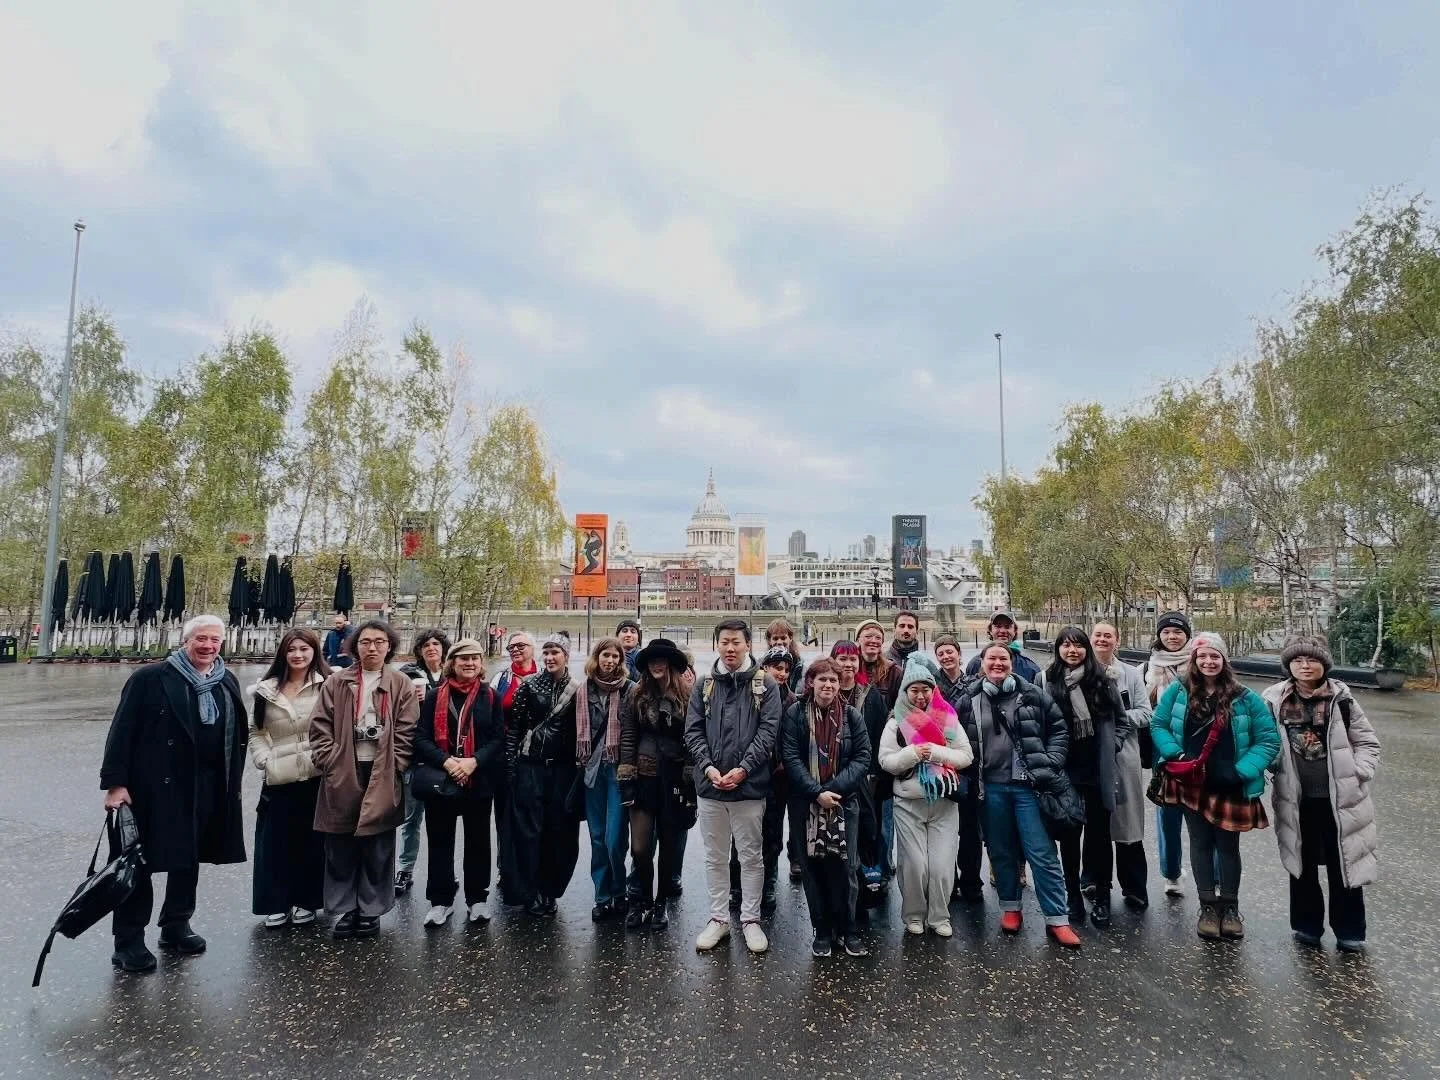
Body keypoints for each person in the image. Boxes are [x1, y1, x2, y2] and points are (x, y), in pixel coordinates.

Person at [101, 615, 248, 973]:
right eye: (201, 639)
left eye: (215, 640)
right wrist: (115, 785)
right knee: (139, 863)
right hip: (153, 786)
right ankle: (129, 941)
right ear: (186, 640)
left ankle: (176, 925)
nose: (208, 646)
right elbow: (122, 732)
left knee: (188, 858)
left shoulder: (225, 679)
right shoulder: (150, 678)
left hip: (208, 786)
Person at [1150, 632, 1280, 941]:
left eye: (1215, 656)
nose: (1209, 661)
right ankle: (1208, 906)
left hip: (1230, 783)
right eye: (1203, 656)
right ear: (1194, 660)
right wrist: (1176, 755)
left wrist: (1241, 771)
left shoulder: (1245, 697)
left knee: (1228, 847)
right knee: (1200, 843)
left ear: (1224, 660)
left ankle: (1230, 908)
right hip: (1193, 782)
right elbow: (1159, 724)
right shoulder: (1179, 691)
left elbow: (1268, 739)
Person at [1263, 634, 1380, 953]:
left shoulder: (1341, 699)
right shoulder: (1273, 699)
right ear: (1289, 665)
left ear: (1323, 665)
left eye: (1312, 660)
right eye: (1298, 660)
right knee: (1302, 863)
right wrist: (1270, 766)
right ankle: (1307, 926)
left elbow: (1368, 742)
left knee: (1344, 862)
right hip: (1296, 798)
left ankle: (1350, 930)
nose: (1305, 665)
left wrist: (1359, 772)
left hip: (1341, 798)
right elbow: (1264, 740)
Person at [309, 619, 419, 939]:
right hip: (343, 767)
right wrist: (330, 761)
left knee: (378, 843)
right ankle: (346, 908)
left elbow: (408, 730)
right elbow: (319, 727)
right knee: (340, 841)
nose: (372, 647)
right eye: (365, 641)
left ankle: (371, 910)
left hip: (382, 769)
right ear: (355, 645)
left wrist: (396, 764)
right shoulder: (337, 682)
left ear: (389, 646)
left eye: (379, 642)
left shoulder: (400, 683)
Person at [968, 642, 1080, 947]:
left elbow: (1059, 729)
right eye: (992, 658)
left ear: (1011, 663)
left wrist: (1051, 760)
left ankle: (1057, 918)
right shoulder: (971, 698)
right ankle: (1010, 908)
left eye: (1003, 658)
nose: (997, 663)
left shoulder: (1032, 694)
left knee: (1042, 852)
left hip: (1028, 787)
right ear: (982, 662)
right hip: (990, 787)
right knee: (1001, 851)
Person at [685, 619, 782, 955]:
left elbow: (768, 733)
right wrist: (709, 768)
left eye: (736, 642)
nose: (730, 648)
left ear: (747, 644)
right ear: (717, 644)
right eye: (724, 641)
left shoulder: (765, 685)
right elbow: (693, 731)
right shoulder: (704, 685)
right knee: (715, 857)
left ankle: (750, 919)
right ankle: (718, 918)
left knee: (751, 856)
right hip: (710, 787)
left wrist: (743, 769)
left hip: (749, 787)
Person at [780, 658, 872, 957]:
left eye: (833, 680)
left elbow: (862, 757)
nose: (828, 685)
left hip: (844, 802)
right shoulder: (795, 714)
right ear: (811, 683)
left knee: (845, 867)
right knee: (813, 867)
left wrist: (834, 790)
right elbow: (791, 757)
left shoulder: (852, 716)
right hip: (806, 803)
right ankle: (821, 928)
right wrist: (816, 792)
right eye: (822, 680)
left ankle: (847, 928)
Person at [878, 660, 974, 937]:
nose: (920, 696)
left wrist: (935, 752)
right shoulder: (896, 721)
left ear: (933, 691)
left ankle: (939, 916)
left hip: (943, 800)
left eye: (926, 690)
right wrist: (912, 754)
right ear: (905, 692)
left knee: (942, 865)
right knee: (915, 865)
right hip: (909, 803)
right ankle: (914, 915)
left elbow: (965, 755)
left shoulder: (948, 718)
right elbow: (886, 760)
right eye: (914, 690)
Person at [1043, 627, 1130, 927]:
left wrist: (1112, 745)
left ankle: (1103, 897)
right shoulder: (1047, 681)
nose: (1072, 651)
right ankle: (1073, 898)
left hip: (1097, 770)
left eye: (1078, 645)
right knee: (1068, 838)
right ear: (1057, 649)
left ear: (1086, 650)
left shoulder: (1103, 682)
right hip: (1063, 772)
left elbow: (1123, 722)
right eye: (1066, 645)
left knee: (1100, 838)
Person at [414, 638, 504, 927]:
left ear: (481, 664)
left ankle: (477, 899)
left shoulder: (489, 697)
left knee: (478, 840)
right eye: (463, 659)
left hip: (478, 778)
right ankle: (440, 901)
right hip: (442, 778)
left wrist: (473, 761)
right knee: (440, 841)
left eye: (475, 659)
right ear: (451, 663)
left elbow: (498, 738)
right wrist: (448, 762)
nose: (470, 663)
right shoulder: (433, 697)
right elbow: (420, 738)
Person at [249, 628, 330, 929]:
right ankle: (276, 903)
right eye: (292, 649)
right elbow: (256, 730)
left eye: (304, 649)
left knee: (313, 841)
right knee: (275, 843)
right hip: (279, 774)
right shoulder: (266, 689)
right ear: (283, 653)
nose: (297, 654)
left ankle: (308, 901)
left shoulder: (328, 684)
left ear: (314, 652)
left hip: (317, 772)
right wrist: (263, 759)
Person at [618, 637, 696, 931]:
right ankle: (641, 900)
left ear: (671, 664)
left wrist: (690, 775)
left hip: (674, 779)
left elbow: (693, 737)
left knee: (669, 846)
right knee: (639, 847)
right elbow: (628, 735)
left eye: (662, 659)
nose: (657, 664)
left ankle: (660, 902)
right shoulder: (636, 695)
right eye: (652, 660)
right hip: (644, 775)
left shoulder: (688, 696)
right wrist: (627, 775)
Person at [506, 633, 582, 917]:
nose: (550, 658)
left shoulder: (576, 690)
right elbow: (515, 728)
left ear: (566, 656)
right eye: (547, 652)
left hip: (561, 769)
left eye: (556, 653)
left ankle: (550, 889)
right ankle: (529, 889)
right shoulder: (528, 687)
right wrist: (511, 766)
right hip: (531, 766)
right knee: (528, 831)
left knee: (559, 832)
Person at [1090, 622, 1152, 910]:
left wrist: (1116, 717)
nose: (1102, 639)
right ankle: (1093, 881)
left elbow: (1145, 713)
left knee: (1128, 823)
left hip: (1124, 755)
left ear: (1117, 640)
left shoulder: (1131, 674)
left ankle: (1134, 886)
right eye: (1097, 635)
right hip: (1090, 757)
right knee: (1095, 826)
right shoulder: (1081, 672)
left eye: (1108, 635)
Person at [739, 646, 800, 905]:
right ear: (765, 668)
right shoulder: (752, 696)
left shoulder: (793, 701)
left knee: (773, 830)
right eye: (777, 667)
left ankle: (770, 882)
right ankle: (740, 883)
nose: (782, 673)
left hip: (780, 775)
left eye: (786, 669)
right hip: (755, 770)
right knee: (747, 831)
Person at [579, 636, 634, 921]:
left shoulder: (630, 690)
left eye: (615, 657)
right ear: (596, 658)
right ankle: (602, 896)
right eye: (605, 656)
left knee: (615, 839)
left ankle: (619, 890)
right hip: (591, 772)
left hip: (617, 772)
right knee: (598, 838)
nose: (610, 661)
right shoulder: (583, 690)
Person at [395, 628, 451, 897]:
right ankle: (405, 869)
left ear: (443, 648)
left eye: (436, 644)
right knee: (411, 818)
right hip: (415, 757)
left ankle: (442, 876)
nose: (431, 648)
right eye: (426, 644)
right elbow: (392, 710)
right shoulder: (407, 675)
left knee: (443, 822)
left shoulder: (452, 675)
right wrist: (409, 700)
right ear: (419, 650)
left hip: (444, 757)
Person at [931, 633, 984, 903]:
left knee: (971, 830)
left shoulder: (974, 683)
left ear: (959, 654)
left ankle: (972, 880)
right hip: (941, 764)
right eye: (941, 653)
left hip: (969, 765)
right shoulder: (932, 686)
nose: (946, 656)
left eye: (950, 651)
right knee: (944, 828)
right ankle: (948, 882)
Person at [1144, 610, 1193, 896]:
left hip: (1199, 747)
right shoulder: (1148, 668)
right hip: (1162, 748)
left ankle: (1211, 878)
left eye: (1178, 632)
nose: (1172, 637)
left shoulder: (1202, 662)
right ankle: (1171, 872)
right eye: (1166, 632)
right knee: (1168, 811)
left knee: (1204, 811)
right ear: (1159, 636)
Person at [854, 619, 901, 890]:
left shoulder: (893, 672)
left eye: (877, 637)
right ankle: (860, 868)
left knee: (883, 820)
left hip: (882, 754)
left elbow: (900, 706)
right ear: (858, 639)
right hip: (855, 755)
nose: (872, 641)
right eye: (867, 636)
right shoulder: (848, 666)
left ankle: (882, 869)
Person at [491, 630, 537, 905]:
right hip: (504, 756)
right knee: (504, 815)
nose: (516, 650)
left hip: (533, 758)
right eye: (512, 647)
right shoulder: (501, 679)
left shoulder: (543, 674)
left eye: (521, 646)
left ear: (533, 648)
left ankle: (528, 867)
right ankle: (504, 866)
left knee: (529, 816)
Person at [964, 611, 1040, 682]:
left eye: (1007, 626)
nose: (1003, 631)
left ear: (1015, 630)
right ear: (990, 630)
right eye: (998, 626)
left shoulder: (1030, 668)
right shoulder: (975, 664)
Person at [765, 618, 806, 692]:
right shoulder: (760, 665)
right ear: (769, 641)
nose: (779, 642)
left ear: (790, 638)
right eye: (775, 638)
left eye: (783, 638)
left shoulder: (800, 668)